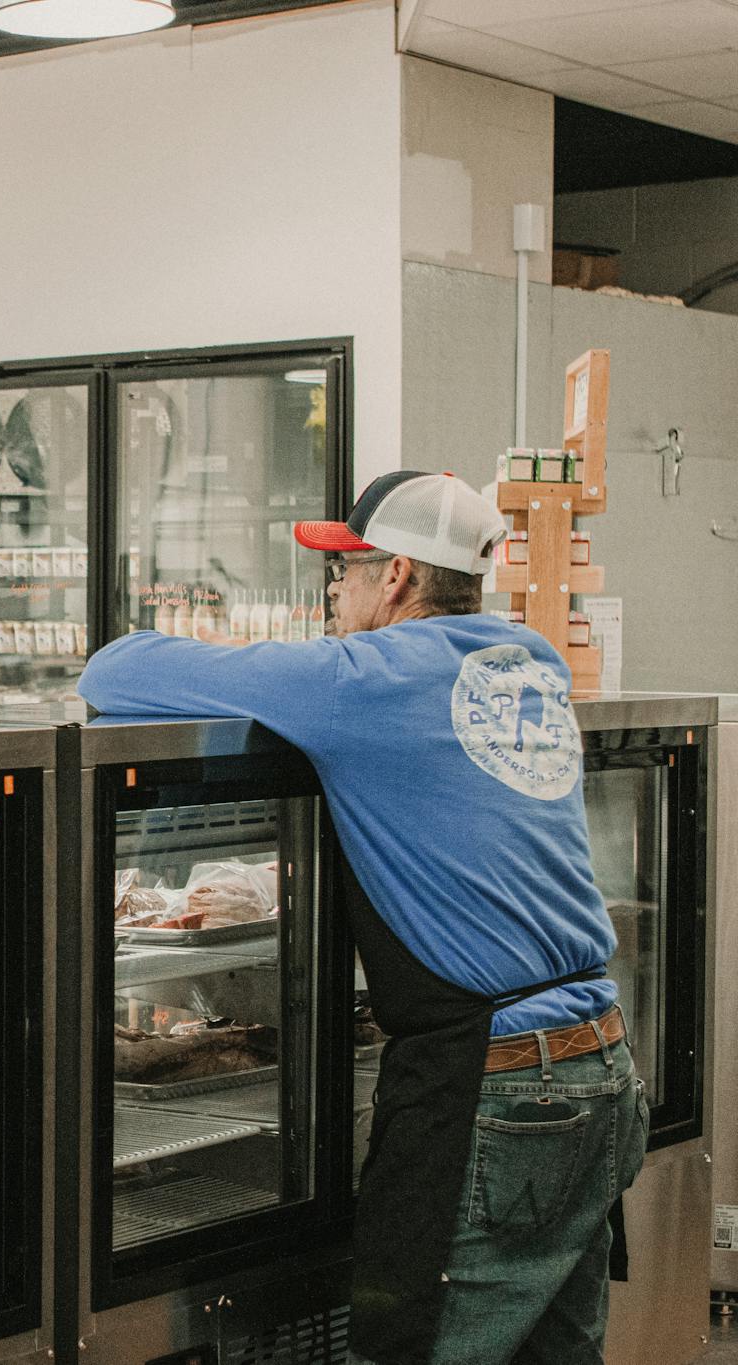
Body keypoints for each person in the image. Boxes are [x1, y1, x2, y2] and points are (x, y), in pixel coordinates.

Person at [78, 471, 646, 1365]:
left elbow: (112, 669)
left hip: (494, 1093)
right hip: (603, 1070)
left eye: (342, 570)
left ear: (397, 579)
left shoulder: (362, 676)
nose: (331, 592)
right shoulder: (528, 657)